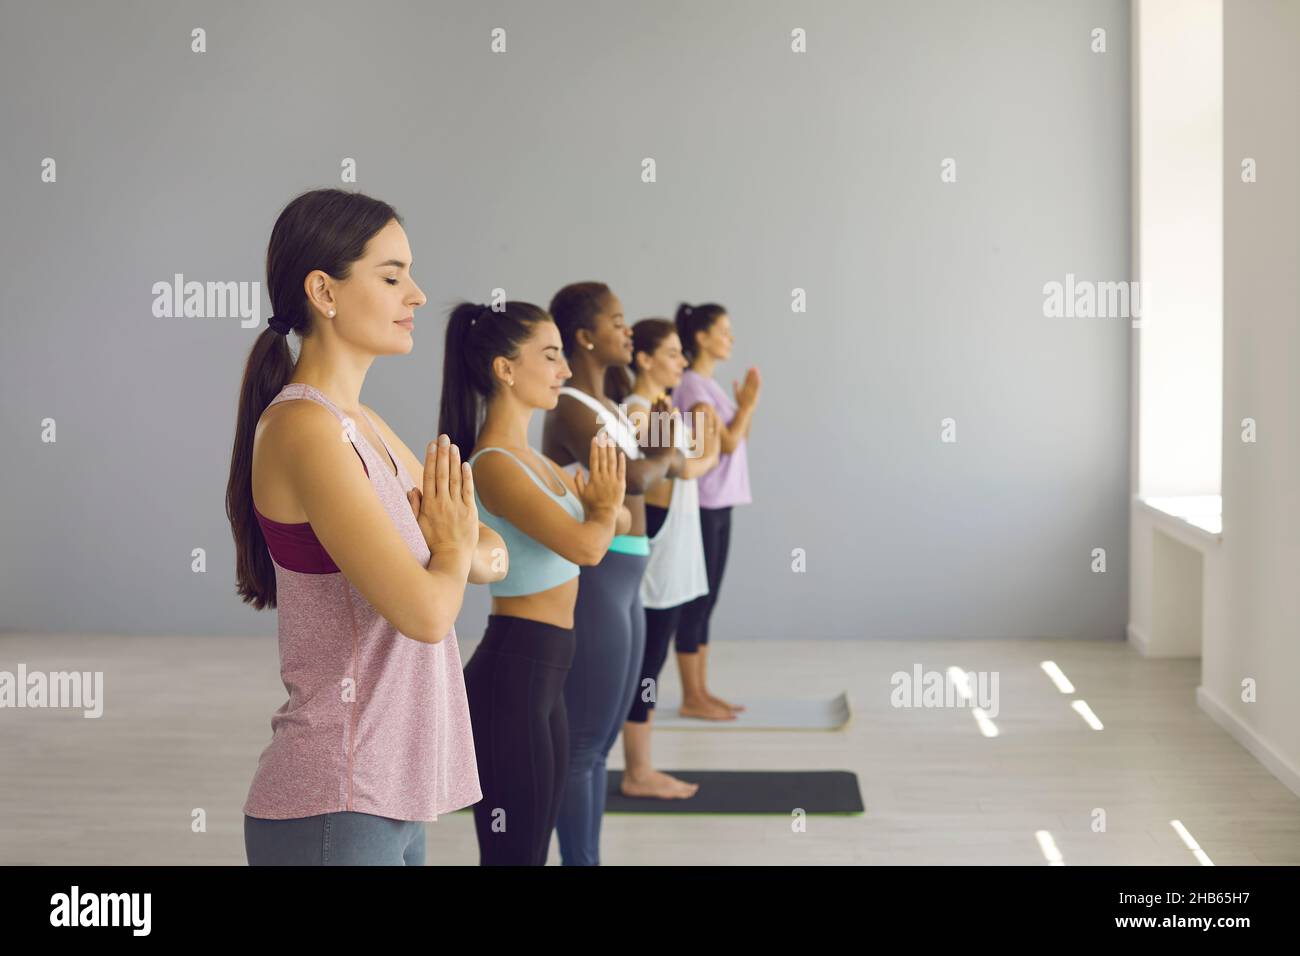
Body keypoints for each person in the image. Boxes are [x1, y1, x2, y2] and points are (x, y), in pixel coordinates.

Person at [228, 188, 505, 865]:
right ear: (323, 290)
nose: (416, 295)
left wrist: (455, 544)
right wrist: (454, 545)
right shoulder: (306, 430)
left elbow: (488, 553)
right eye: (391, 276)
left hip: (389, 796)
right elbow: (429, 611)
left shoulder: (364, 426)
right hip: (336, 797)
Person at [440, 300, 629, 866]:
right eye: (550, 356)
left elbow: (614, 519)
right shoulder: (495, 464)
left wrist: (603, 508)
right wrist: (602, 509)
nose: (565, 370)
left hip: (546, 672)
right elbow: (589, 545)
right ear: (504, 368)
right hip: (513, 672)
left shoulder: (538, 463)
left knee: (533, 849)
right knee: (514, 855)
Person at [543, 282, 686, 864]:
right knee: (581, 747)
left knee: (601, 745)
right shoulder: (573, 407)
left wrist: (664, 449)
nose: (628, 331)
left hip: (628, 575)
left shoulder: (606, 402)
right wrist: (665, 449)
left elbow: (662, 469)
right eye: (617, 320)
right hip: (600, 580)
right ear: (584, 336)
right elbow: (635, 479)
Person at [617, 318, 723, 798]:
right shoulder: (642, 411)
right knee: (647, 669)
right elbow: (666, 480)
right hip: (658, 562)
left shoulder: (658, 409)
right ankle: (638, 772)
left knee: (650, 665)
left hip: (674, 558)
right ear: (644, 359)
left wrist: (703, 449)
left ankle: (641, 767)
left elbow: (682, 469)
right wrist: (711, 447)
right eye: (673, 353)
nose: (682, 362)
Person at [669, 302, 761, 714]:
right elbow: (724, 443)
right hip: (704, 505)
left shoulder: (710, 385)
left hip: (721, 502)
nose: (731, 338)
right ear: (702, 337)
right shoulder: (692, 386)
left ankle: (701, 692)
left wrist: (743, 408)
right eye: (724, 330)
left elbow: (737, 438)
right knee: (697, 602)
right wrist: (749, 406)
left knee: (709, 599)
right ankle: (692, 697)